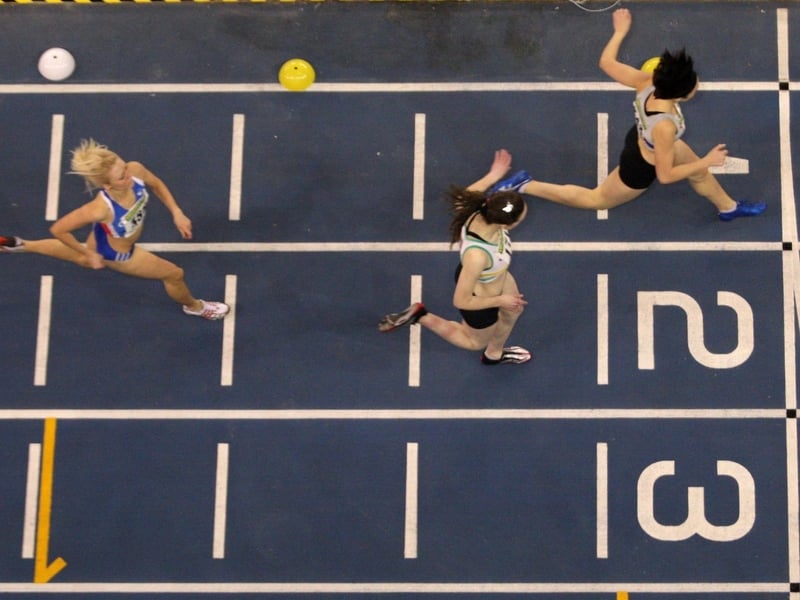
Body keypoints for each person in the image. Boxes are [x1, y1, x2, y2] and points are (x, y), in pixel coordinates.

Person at [493, 8, 765, 222]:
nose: (697, 83)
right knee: (595, 199)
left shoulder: (648, 80)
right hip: (642, 165)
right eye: (693, 83)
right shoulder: (665, 128)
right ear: (679, 95)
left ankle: (728, 208)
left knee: (700, 173)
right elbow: (666, 175)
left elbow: (606, 63)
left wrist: (619, 31)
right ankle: (526, 185)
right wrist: (707, 159)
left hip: (641, 138)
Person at [0, 139, 229, 320]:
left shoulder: (134, 170)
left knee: (81, 260)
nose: (129, 176)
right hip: (119, 253)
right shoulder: (98, 209)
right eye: (122, 177)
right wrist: (92, 253)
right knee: (174, 274)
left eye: (124, 168)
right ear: (107, 185)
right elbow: (59, 229)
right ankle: (195, 307)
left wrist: (176, 212)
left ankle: (20, 245)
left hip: (102, 235)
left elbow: (156, 184)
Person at [379, 149, 531, 365]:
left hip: (498, 277)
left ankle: (494, 354)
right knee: (474, 342)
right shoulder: (477, 256)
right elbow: (461, 300)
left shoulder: (478, 209)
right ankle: (421, 316)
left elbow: (464, 196)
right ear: (507, 225)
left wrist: (494, 175)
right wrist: (500, 300)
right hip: (479, 298)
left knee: (513, 312)